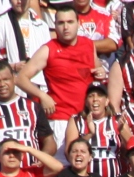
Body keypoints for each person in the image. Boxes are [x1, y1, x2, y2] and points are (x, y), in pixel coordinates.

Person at [16, 3, 105, 164]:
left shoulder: (88, 44)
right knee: (62, 169)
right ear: (55, 25)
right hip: (61, 119)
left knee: (89, 168)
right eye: (61, 23)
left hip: (86, 118)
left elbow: (97, 71)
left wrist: (101, 73)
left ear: (78, 23)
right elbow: (21, 78)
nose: (65, 27)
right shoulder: (49, 49)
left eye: (70, 22)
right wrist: (42, 95)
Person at [0, 60, 57, 175]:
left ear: (14, 79)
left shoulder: (33, 107)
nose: (2, 84)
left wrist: (41, 159)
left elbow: (50, 142)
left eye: (6, 79)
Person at [64, 84, 123, 177]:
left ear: (107, 101)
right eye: (91, 96)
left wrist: (122, 130)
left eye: (100, 95)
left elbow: (130, 148)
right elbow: (69, 152)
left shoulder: (117, 120)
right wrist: (90, 134)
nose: (95, 99)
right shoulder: (77, 121)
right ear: (86, 102)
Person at [0, 0, 51, 89]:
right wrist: (13, 66)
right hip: (15, 85)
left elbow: (48, 58)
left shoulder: (42, 25)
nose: (19, 2)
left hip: (39, 84)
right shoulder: (1, 22)